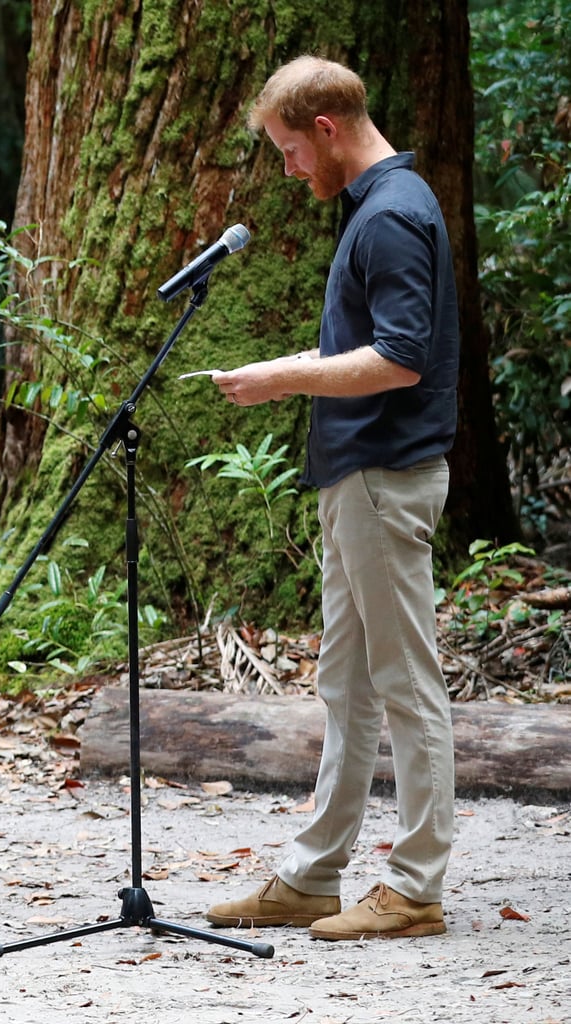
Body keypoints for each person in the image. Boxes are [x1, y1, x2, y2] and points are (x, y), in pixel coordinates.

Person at [205, 55, 459, 941]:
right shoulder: (373, 208)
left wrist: (283, 378)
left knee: (403, 682)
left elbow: (400, 358)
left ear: (325, 129)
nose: (286, 172)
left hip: (386, 479)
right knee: (345, 685)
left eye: (286, 151)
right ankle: (313, 875)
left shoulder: (391, 214)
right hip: (357, 479)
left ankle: (415, 888)